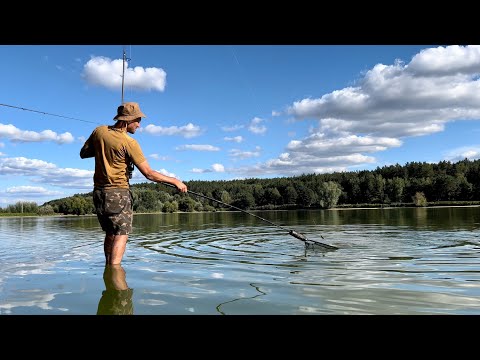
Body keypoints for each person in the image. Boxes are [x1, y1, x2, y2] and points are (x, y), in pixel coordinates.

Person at [80, 101, 188, 264]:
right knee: (121, 234)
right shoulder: (129, 143)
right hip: (118, 193)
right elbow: (149, 174)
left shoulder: (99, 131)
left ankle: (108, 268)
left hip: (98, 193)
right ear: (127, 121)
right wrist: (175, 181)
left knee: (110, 232)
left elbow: (84, 153)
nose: (138, 125)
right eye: (137, 121)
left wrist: (105, 148)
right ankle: (116, 274)